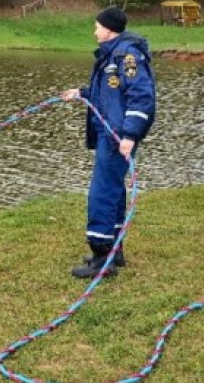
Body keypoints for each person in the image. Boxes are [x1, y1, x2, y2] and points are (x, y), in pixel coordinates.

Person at [60, 6, 156, 278]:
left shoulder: (127, 56)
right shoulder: (111, 55)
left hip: (117, 136)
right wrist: (80, 92)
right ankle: (115, 252)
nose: (94, 30)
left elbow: (141, 96)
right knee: (112, 189)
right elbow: (107, 94)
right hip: (109, 132)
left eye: (97, 26)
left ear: (109, 29)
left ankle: (102, 258)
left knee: (102, 191)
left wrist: (129, 135)